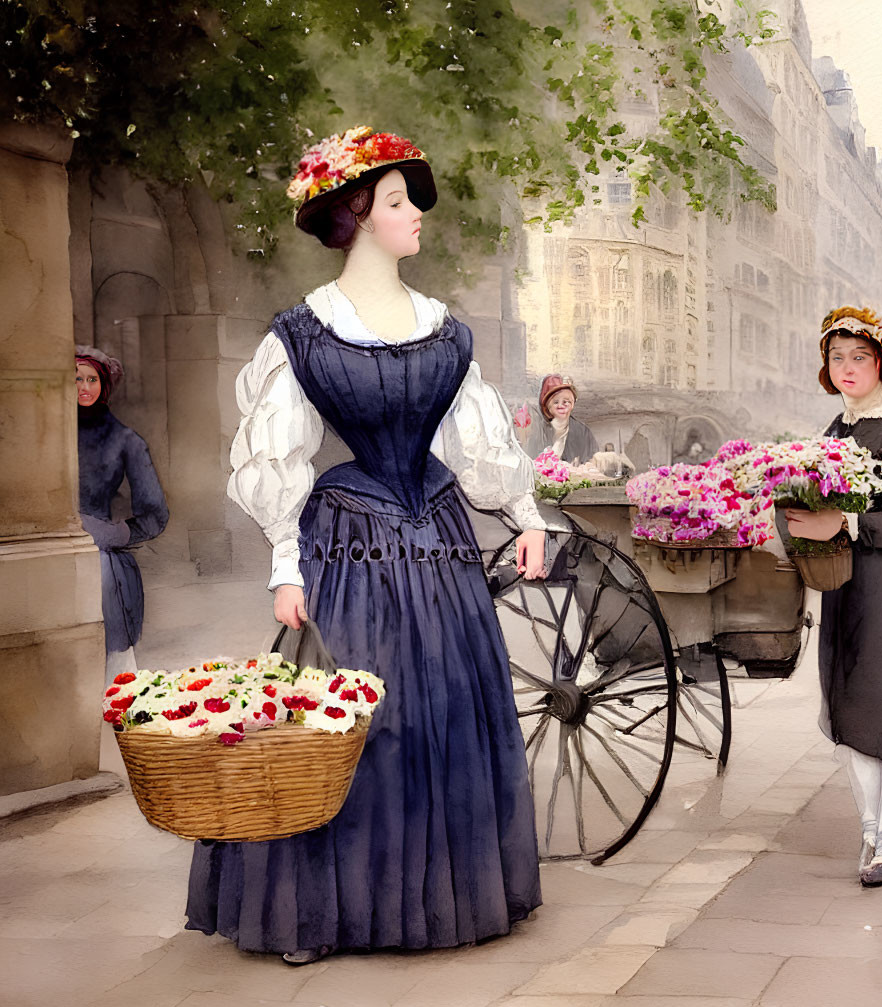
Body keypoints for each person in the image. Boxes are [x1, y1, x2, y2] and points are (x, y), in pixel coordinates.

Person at [186, 126, 545, 963]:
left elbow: (476, 443)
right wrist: (285, 563)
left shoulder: (445, 330)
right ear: (356, 215)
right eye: (396, 201)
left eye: (412, 199)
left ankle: (447, 901)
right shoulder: (303, 335)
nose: (416, 213)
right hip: (348, 548)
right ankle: (324, 914)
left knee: (446, 713)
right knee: (353, 727)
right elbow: (279, 456)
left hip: (441, 549)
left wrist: (526, 514)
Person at [784, 306, 882, 887]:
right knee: (844, 700)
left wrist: (846, 524)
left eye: (860, 358)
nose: (847, 368)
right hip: (842, 582)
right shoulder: (834, 433)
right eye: (836, 358)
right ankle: (870, 830)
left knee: (881, 705)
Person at [75, 346, 168, 680]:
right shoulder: (43, 440)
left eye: (91, 380)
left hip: (103, 565)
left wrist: (111, 534)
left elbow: (155, 515)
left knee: (113, 676)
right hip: (51, 560)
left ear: (104, 386)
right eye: (75, 379)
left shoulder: (125, 440)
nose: (83, 387)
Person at [532, 373, 599, 465]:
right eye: (556, 402)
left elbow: (591, 463)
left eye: (566, 401)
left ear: (572, 404)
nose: (561, 406)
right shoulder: (536, 430)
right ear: (547, 406)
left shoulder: (583, 432)